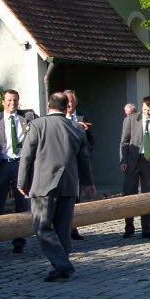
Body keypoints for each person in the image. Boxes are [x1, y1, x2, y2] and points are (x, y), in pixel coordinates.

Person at [17, 92, 95, 282]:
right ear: (66, 106)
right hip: (69, 184)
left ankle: (62, 264)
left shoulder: (37, 125)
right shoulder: (76, 128)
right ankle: (62, 266)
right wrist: (88, 182)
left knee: (42, 227)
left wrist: (22, 182)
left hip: (44, 184)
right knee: (63, 228)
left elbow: (27, 156)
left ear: (48, 105)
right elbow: (84, 159)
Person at [0, 89, 36, 254]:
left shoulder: (27, 118)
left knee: (21, 204)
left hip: (20, 166)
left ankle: (19, 242)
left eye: (15, 100)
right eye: (9, 100)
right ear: (3, 102)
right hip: (2, 165)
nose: (12, 103)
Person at [120, 95, 150, 239]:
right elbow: (124, 142)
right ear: (142, 106)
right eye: (146, 110)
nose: (148, 113)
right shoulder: (131, 119)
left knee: (148, 195)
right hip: (133, 161)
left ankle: (146, 228)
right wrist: (123, 160)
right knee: (129, 193)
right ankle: (129, 226)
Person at [65, 89, 94, 240]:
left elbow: (91, 140)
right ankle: (63, 227)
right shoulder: (59, 117)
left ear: (76, 102)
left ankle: (73, 228)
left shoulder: (83, 116)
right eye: (66, 101)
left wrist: (86, 152)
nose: (69, 104)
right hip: (63, 163)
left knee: (76, 196)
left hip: (78, 162)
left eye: (71, 101)